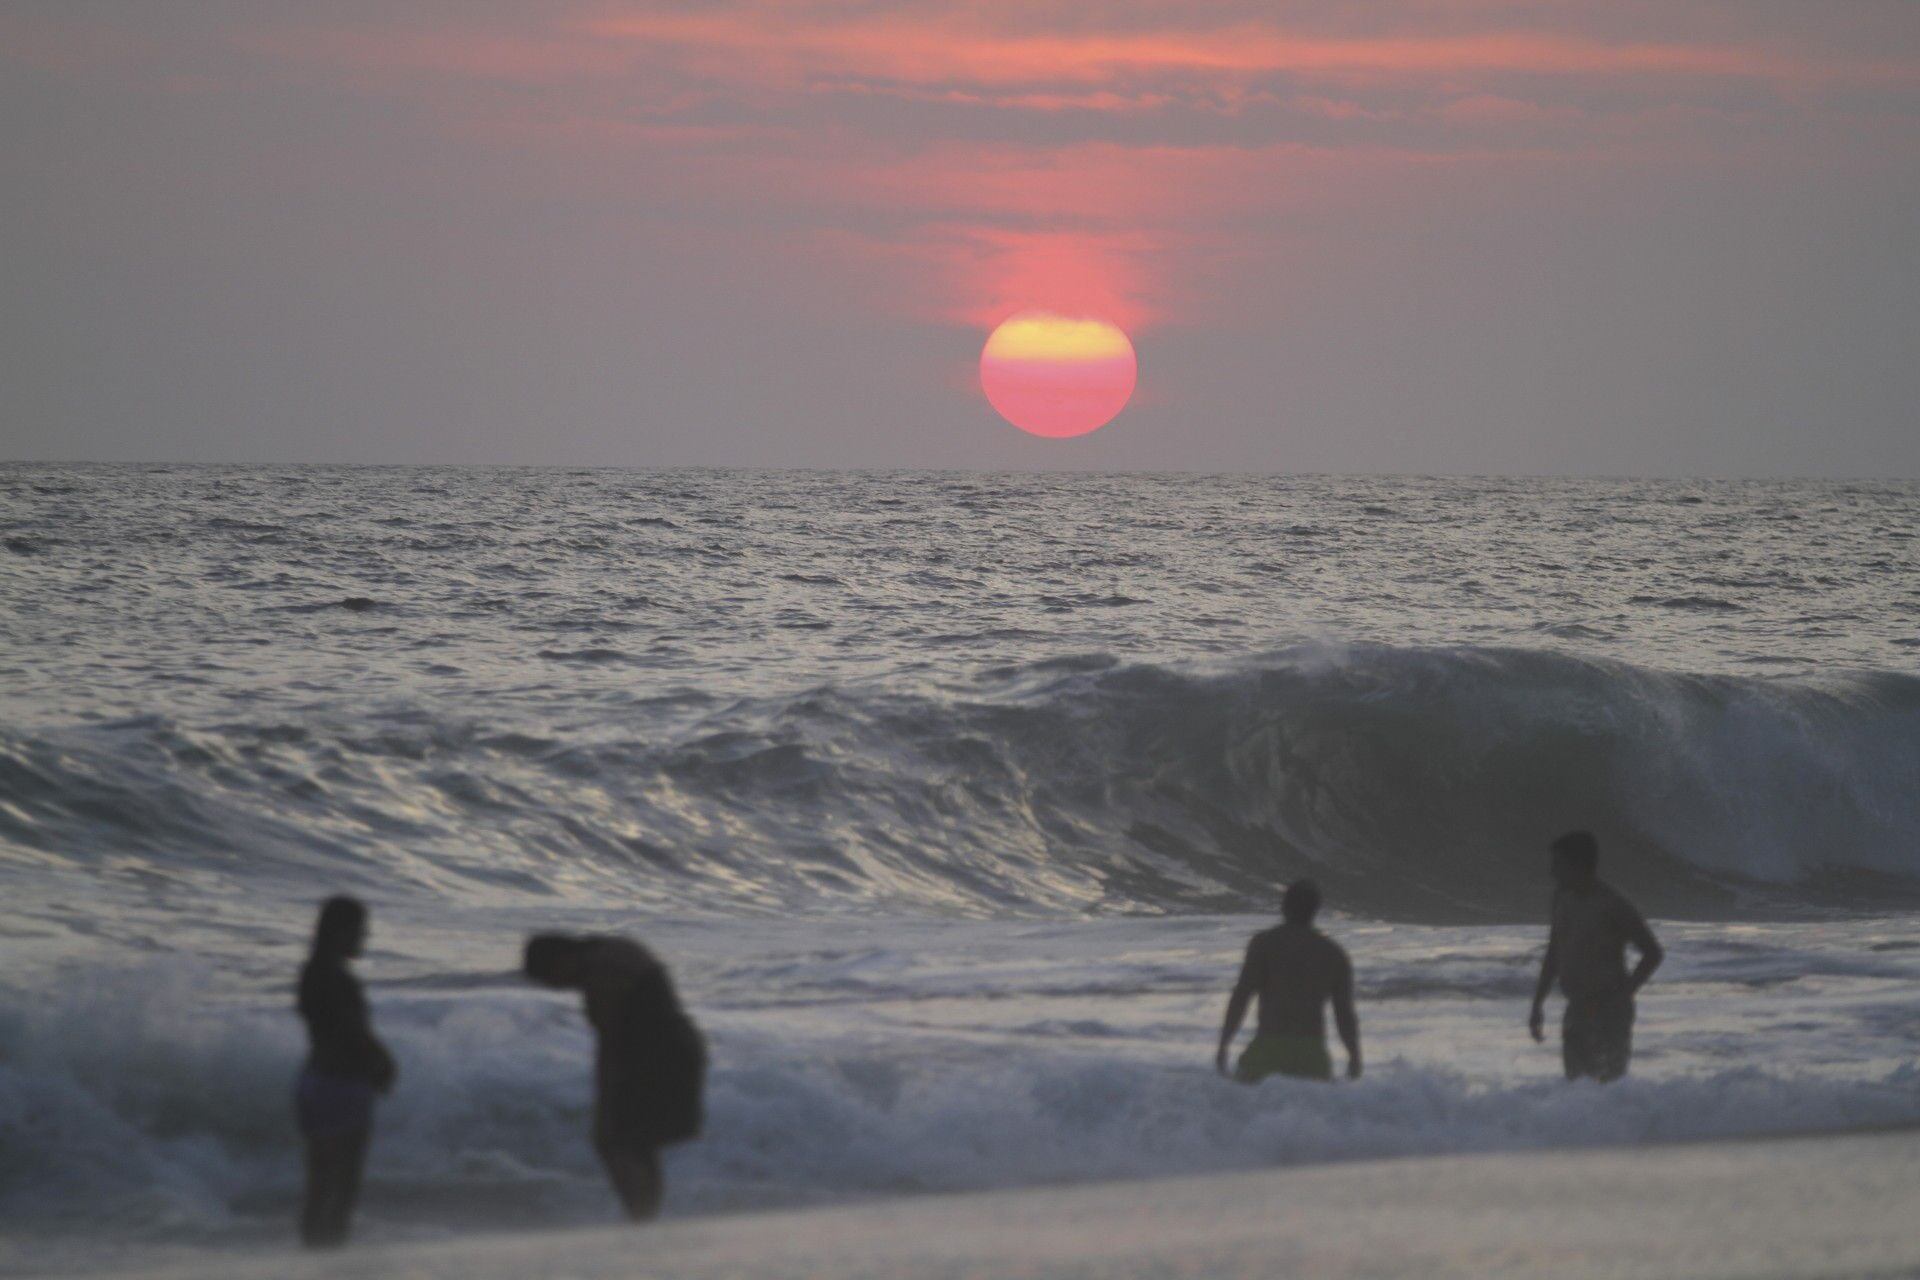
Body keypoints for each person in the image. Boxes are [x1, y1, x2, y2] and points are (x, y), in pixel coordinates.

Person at [523, 934, 707, 1221]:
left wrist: (604, 1106)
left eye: (550, 978)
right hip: (678, 1050)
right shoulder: (613, 950)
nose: (555, 987)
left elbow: (609, 1047)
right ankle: (645, 1218)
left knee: (617, 1142)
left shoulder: (602, 975)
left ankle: (641, 1217)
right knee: (638, 1144)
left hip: (657, 1061)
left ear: (560, 960)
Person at [294, 895, 396, 1248]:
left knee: (319, 1185)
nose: (364, 938)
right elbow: (352, 1031)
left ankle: (313, 1258)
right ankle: (329, 1261)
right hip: (342, 1086)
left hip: (314, 1082)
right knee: (343, 1188)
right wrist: (384, 1060)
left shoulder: (311, 972)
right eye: (359, 930)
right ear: (340, 931)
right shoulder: (335, 977)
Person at [1528, 830, 1665, 1082]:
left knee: (1608, 1085)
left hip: (1609, 1010)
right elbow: (1553, 953)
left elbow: (1653, 953)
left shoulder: (1612, 904)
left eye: (1558, 864)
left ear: (1578, 865)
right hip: (1577, 1008)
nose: (1552, 872)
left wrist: (1625, 993)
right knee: (1576, 1089)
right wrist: (1537, 1005)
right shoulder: (1561, 899)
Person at [1216, 879, 1361, 1083]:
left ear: (1284, 906)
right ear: (1315, 910)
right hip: (1312, 1055)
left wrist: (1224, 1043)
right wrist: (1355, 1056)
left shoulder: (1264, 944)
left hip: (1269, 1049)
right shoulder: (1333, 954)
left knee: (1244, 1108)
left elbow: (1242, 995)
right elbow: (1344, 1013)